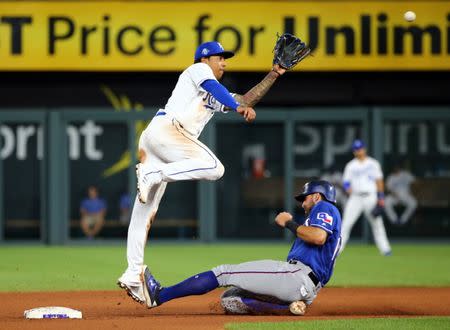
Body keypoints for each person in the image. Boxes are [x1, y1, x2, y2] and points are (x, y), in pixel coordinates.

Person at [118, 40, 290, 304]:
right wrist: (237, 108)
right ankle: (153, 175)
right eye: (220, 58)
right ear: (205, 59)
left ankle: (132, 272)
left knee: (145, 212)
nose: (224, 62)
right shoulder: (197, 71)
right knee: (214, 167)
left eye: (225, 58)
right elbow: (224, 95)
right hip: (169, 131)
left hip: (159, 140)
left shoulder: (213, 91)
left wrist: (273, 74)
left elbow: (244, 99)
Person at [140, 180, 341, 315]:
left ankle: (159, 295)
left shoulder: (325, 207)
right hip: (304, 286)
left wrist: (289, 222)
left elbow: (318, 237)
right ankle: (288, 308)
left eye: (305, 197)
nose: (303, 202)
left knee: (223, 273)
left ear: (316, 196)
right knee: (230, 298)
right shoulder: (322, 216)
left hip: (297, 276)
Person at [339, 139, 392, 256]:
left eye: (360, 148)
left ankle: (385, 250)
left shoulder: (373, 163)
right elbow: (346, 182)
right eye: (356, 149)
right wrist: (348, 189)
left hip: (370, 196)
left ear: (364, 149)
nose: (358, 151)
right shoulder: (351, 165)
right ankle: (337, 249)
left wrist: (381, 197)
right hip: (355, 197)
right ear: (354, 151)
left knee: (377, 223)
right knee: (346, 224)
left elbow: (379, 181)